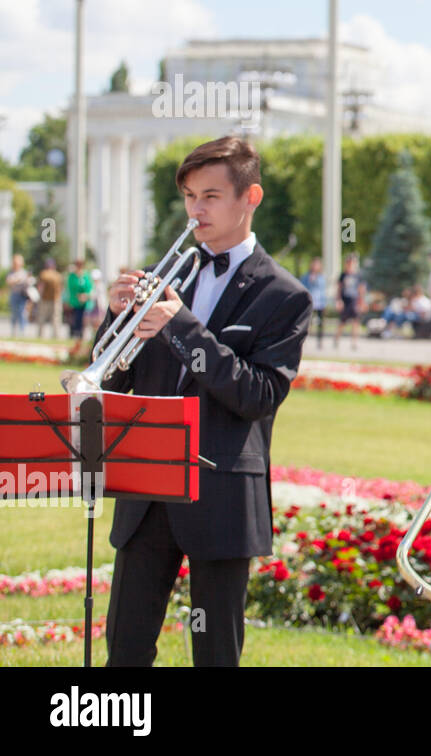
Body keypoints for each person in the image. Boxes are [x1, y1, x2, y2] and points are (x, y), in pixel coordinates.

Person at [94, 135, 313, 666]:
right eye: (191, 196)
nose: (196, 209)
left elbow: (259, 394)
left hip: (220, 492)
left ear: (250, 198)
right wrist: (115, 322)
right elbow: (117, 384)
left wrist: (183, 326)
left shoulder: (285, 296)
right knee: (125, 646)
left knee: (215, 652)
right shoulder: (165, 277)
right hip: (147, 489)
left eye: (211, 196)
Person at [334, 254, 366, 351]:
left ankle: (354, 342)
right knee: (342, 322)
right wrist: (338, 300)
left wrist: (361, 301)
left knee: (356, 322)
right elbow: (339, 288)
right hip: (345, 300)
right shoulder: (343, 275)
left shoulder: (358, 275)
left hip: (354, 300)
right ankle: (336, 340)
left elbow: (361, 289)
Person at [300, 256, 328, 348]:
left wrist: (324, 303)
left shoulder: (321, 277)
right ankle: (304, 339)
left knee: (320, 324)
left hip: (319, 303)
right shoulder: (306, 276)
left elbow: (323, 290)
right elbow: (302, 287)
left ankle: (320, 341)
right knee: (307, 323)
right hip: (310, 303)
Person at [63, 258, 93, 340]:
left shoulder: (86, 276)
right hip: (74, 301)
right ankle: (73, 334)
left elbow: (89, 288)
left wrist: (85, 295)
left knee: (82, 319)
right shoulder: (72, 276)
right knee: (73, 319)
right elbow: (69, 289)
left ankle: (80, 334)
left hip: (84, 301)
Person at [6, 253, 31, 337]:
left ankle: (22, 330)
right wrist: (17, 280)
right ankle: (14, 331)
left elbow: (27, 283)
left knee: (22, 313)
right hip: (14, 295)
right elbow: (9, 281)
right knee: (14, 313)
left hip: (22, 295)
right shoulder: (11, 272)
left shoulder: (24, 272)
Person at [36, 258, 61, 339]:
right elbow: (60, 288)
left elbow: (40, 287)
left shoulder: (43, 274)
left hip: (44, 299)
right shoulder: (57, 275)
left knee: (41, 318)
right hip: (55, 299)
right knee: (55, 318)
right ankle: (56, 335)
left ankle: (40, 335)